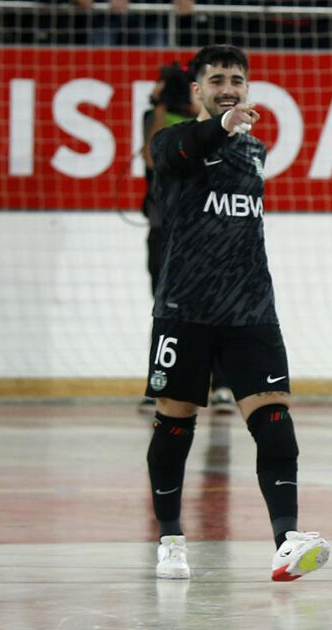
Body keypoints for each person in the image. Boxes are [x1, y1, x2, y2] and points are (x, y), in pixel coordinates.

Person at [145, 44, 329, 580]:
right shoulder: (171, 142)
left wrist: (232, 131)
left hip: (251, 308)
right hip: (185, 307)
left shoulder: (255, 150)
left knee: (275, 423)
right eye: (217, 79)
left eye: (237, 80)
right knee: (174, 423)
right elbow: (179, 152)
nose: (228, 88)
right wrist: (220, 126)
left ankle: (286, 541)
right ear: (197, 91)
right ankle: (171, 540)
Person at [139, 63, 234, 415]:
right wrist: (160, 106)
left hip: (201, 229)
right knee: (165, 307)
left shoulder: (206, 123)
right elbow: (151, 158)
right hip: (163, 226)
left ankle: (220, 384)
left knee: (213, 305)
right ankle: (162, 382)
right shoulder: (153, 117)